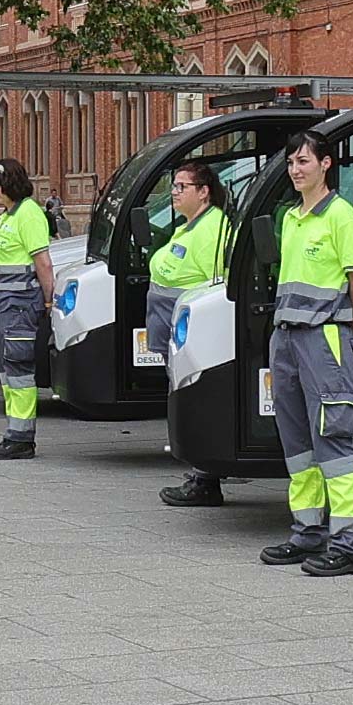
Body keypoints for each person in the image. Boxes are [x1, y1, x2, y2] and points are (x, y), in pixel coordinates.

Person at [262, 129, 353, 576]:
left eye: (304, 161)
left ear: (325, 165)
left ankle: (349, 545)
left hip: (324, 336)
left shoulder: (341, 216)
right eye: (291, 162)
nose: (295, 169)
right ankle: (307, 533)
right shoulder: (291, 217)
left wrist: (351, 326)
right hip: (287, 337)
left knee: (334, 439)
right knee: (297, 444)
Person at [148, 157, 237, 507]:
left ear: (204, 192)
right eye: (174, 186)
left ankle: (205, 479)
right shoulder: (189, 225)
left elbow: (214, 284)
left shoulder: (213, 228)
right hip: (177, 328)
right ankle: (201, 475)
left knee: (198, 401)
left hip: (194, 331)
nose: (174, 192)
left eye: (181, 186)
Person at [0, 156, 50, 459]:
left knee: (18, 368)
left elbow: (43, 262)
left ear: (14, 183)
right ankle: (14, 431)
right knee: (7, 368)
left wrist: (48, 301)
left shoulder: (28, 214)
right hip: (3, 304)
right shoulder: (8, 215)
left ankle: (21, 436)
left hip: (19, 304)